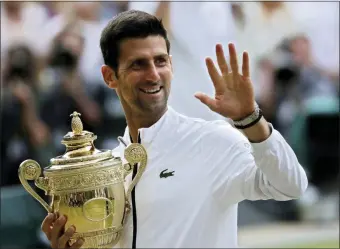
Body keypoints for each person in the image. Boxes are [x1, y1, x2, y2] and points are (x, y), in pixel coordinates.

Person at [40, 10, 308, 248]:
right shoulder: (109, 165)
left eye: (160, 61)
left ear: (171, 64)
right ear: (110, 77)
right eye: (138, 64)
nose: (154, 74)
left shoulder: (212, 141)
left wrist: (251, 119)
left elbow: (290, 185)